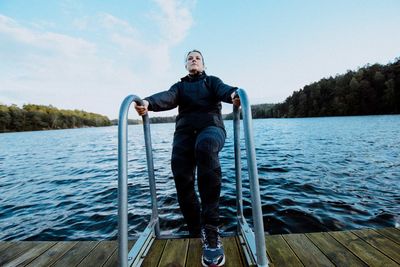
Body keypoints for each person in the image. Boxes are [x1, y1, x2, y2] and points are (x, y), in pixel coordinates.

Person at [134, 49, 240, 267]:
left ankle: (211, 231)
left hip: (211, 128)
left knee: (205, 147)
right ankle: (195, 229)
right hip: (184, 133)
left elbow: (224, 90)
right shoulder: (180, 87)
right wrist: (148, 102)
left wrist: (234, 95)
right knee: (181, 175)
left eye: (198, 58)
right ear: (185, 65)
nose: (194, 60)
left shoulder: (211, 81)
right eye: (190, 58)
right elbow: (168, 97)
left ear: (203, 64)